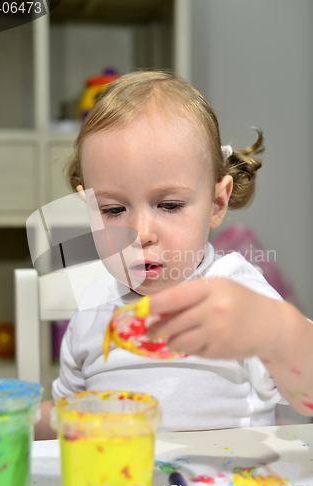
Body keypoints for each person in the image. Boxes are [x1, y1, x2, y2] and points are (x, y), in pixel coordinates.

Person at [34, 71, 313, 440]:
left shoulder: (235, 290)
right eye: (114, 210)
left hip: (225, 485)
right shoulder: (93, 306)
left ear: (217, 203)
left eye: (168, 204)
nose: (142, 234)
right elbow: (69, 416)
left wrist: (277, 332)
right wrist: (16, 421)